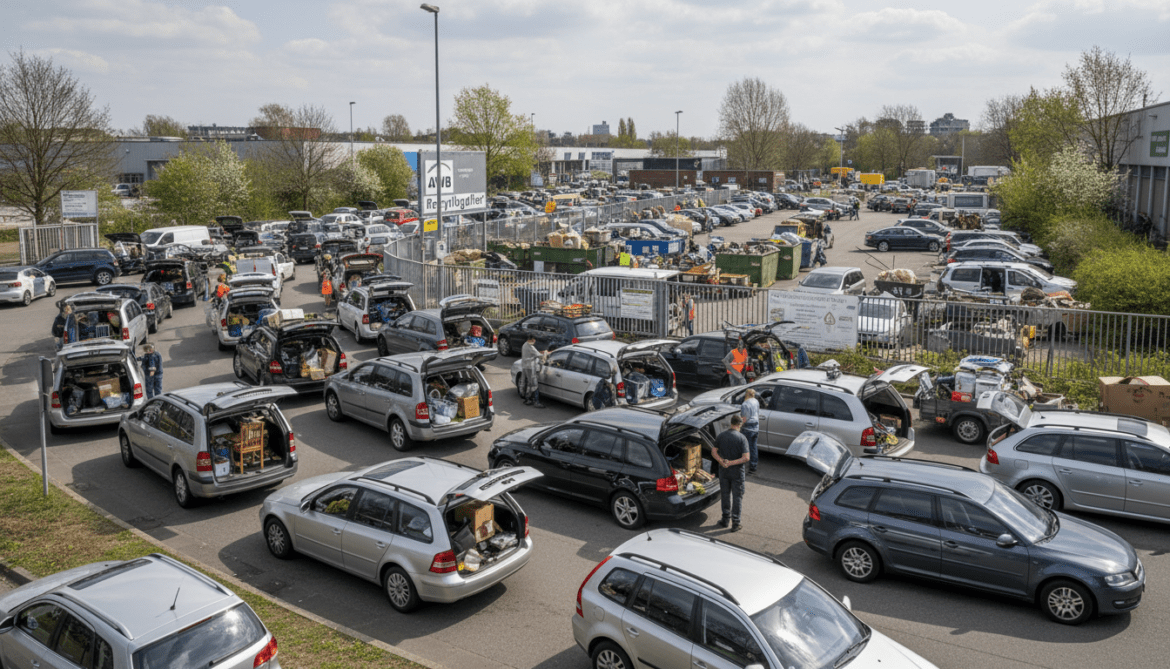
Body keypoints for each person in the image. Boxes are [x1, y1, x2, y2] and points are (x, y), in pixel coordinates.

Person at [712, 415, 749, 531]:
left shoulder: (721, 436)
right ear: (740, 425)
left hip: (723, 471)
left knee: (725, 495)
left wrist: (721, 461)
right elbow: (746, 458)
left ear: (730, 423)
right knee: (737, 497)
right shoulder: (742, 438)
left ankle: (725, 519)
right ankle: (736, 523)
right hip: (737, 472)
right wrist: (732, 462)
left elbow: (714, 452)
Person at [520, 335, 547, 408]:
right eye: (534, 340)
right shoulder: (530, 347)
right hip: (530, 368)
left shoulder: (524, 345)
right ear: (532, 339)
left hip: (525, 366)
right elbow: (540, 356)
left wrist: (539, 352)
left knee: (529, 384)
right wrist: (546, 353)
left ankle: (527, 399)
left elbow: (534, 353)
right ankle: (536, 402)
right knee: (535, 385)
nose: (535, 341)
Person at [740, 388, 761, 474]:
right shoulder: (756, 401)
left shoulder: (745, 404)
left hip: (747, 428)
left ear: (746, 394)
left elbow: (744, 418)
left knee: (744, 448)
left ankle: (741, 467)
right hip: (756, 427)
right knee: (753, 447)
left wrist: (738, 427)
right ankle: (753, 467)